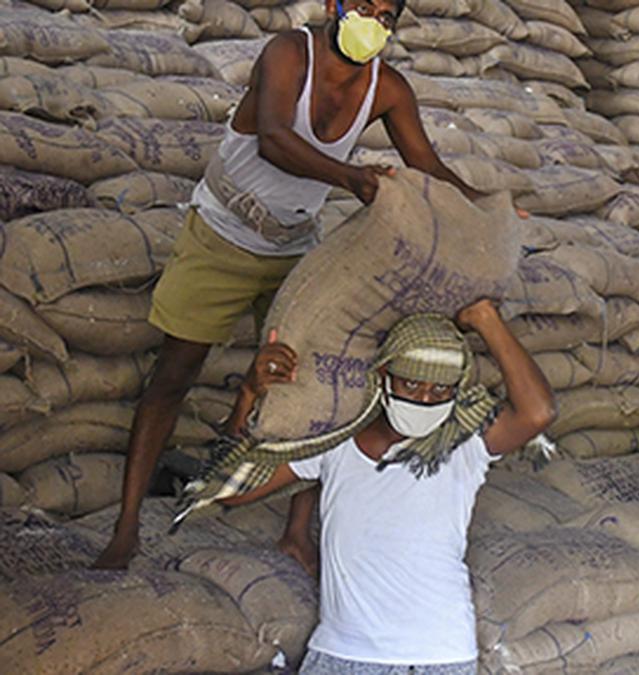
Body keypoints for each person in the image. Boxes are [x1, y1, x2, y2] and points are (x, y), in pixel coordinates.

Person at [93, 0, 490, 569]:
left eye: (386, 13)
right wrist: (352, 178)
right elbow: (273, 139)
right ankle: (127, 525)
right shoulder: (287, 54)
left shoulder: (389, 89)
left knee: (314, 390)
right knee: (175, 375)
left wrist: (485, 210)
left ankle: (297, 531)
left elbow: (426, 164)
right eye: (362, 5)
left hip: (294, 247)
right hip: (224, 232)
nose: (371, 20)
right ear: (334, 4)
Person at [216, 299, 555, 674]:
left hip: (437, 658)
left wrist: (486, 320)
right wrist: (249, 392)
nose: (425, 399)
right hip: (341, 655)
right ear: (383, 375)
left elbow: (538, 412)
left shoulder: (463, 445)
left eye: (440, 390)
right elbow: (232, 488)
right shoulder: (338, 443)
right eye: (411, 383)